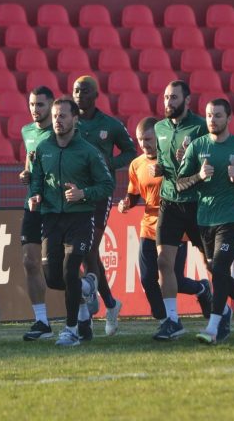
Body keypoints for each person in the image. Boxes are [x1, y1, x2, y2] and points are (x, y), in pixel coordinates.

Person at [176, 98, 234, 345]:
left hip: (232, 218)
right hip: (205, 219)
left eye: (217, 115)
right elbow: (179, 184)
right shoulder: (197, 146)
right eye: (208, 115)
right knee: (218, 271)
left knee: (221, 268)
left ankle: (213, 328)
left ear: (229, 118)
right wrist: (198, 176)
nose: (212, 120)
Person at [28, 97, 114, 347]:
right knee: (53, 278)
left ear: (75, 119)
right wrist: (36, 195)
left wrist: (82, 194)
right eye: (55, 116)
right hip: (51, 218)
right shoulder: (43, 148)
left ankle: (71, 329)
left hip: (80, 219)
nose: (58, 120)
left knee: (69, 270)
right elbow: (37, 178)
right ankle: (87, 287)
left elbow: (107, 185)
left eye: (63, 116)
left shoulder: (88, 151)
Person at [117, 116, 212, 323]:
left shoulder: (171, 159)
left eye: (148, 139)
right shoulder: (136, 164)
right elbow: (134, 194)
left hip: (174, 225)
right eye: (140, 140)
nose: (144, 144)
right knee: (146, 278)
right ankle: (164, 321)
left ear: (159, 137)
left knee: (172, 279)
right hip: (149, 227)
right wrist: (126, 203)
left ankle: (201, 288)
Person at [73, 75, 136, 338]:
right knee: (79, 250)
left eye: (84, 90)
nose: (79, 95)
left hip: (100, 192)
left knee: (89, 247)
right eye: (76, 90)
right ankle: (109, 303)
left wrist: (109, 164)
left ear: (95, 95)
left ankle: (90, 304)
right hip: (74, 193)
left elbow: (131, 151)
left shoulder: (110, 125)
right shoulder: (68, 121)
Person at [150, 80, 211, 341]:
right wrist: (160, 168)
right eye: (166, 97)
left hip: (196, 202)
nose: (168, 102)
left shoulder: (200, 127)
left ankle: (226, 306)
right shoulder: (159, 128)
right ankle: (172, 320)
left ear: (187, 100)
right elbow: (164, 161)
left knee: (211, 262)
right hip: (169, 202)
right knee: (164, 261)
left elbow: (208, 162)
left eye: (173, 97)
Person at [19, 86, 55, 341]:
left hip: (56, 206)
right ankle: (41, 321)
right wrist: (26, 173)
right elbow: (29, 160)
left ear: (51, 105)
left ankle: (83, 312)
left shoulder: (61, 132)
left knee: (59, 268)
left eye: (40, 104)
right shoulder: (27, 131)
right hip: (32, 205)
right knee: (29, 262)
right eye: (32, 104)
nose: (35, 109)